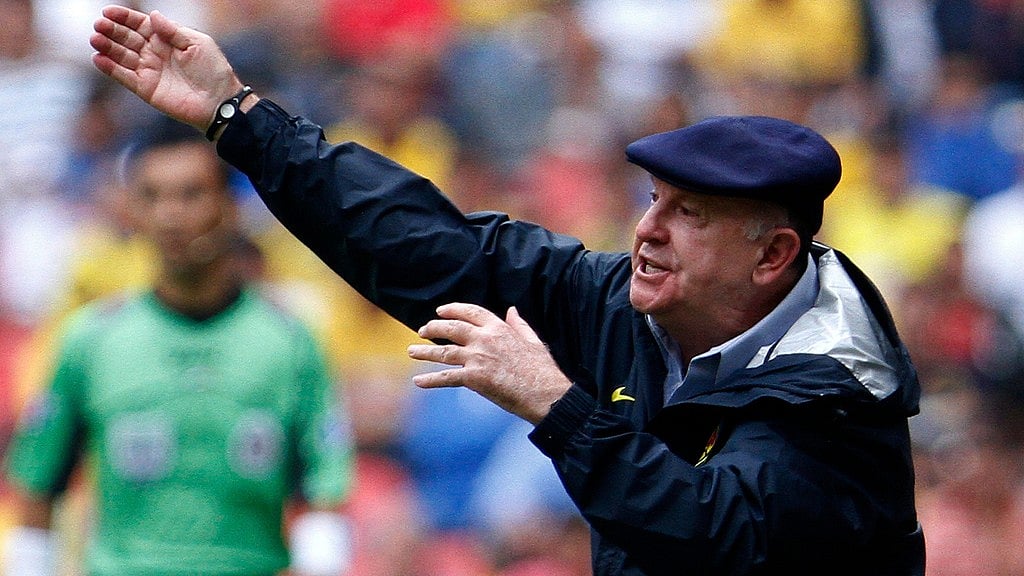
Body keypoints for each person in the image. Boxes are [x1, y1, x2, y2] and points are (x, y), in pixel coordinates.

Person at [89, 6, 924, 575]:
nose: (646, 230)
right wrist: (238, 118)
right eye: (653, 200)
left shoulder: (834, 395)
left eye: (690, 214)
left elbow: (715, 535)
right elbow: (431, 245)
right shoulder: (626, 302)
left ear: (772, 254)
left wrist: (557, 407)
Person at [1, 120, 354, 576]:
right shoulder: (91, 339)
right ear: (132, 211)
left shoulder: (289, 341)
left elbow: (324, 492)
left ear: (230, 207)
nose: (171, 215)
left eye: (190, 194)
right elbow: (38, 488)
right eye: (152, 196)